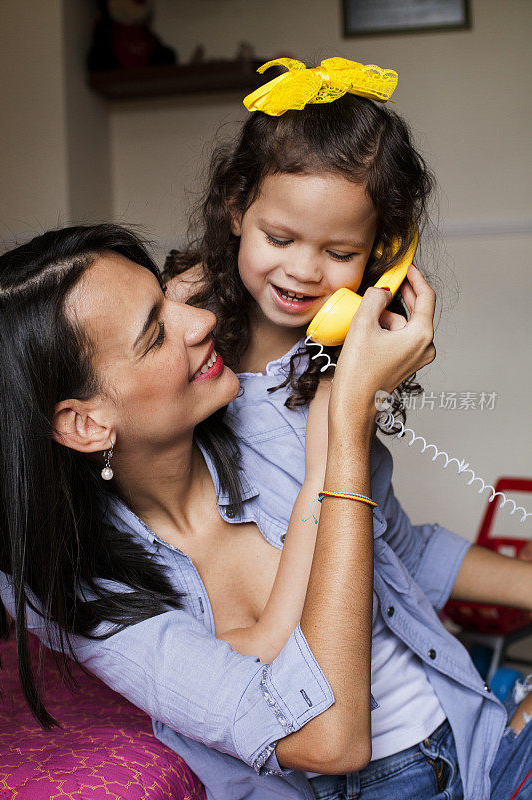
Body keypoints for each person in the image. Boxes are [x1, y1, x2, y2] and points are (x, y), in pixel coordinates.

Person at [164, 58, 532, 798]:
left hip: (440, 726)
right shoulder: (182, 382)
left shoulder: (336, 378)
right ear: (234, 207)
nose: (303, 272)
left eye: (339, 254)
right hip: (337, 767)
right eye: (279, 236)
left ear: (383, 259)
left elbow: (392, 546)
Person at [0, 223, 439, 800]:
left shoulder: (273, 413)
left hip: (452, 730)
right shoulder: (64, 580)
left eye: (168, 298)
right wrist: (341, 448)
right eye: (155, 334)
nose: (201, 321)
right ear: (86, 423)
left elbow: (405, 553)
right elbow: (330, 741)